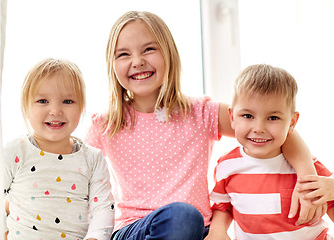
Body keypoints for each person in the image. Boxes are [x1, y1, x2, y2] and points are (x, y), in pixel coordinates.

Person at [85, 11, 322, 240]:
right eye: (123, 54)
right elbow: (75, 179)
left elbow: (271, 127)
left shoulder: (200, 113)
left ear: (169, 54)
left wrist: (307, 179)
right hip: (133, 231)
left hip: (196, 230)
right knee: (181, 215)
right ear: (112, 64)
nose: (138, 61)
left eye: (149, 49)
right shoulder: (105, 124)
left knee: (187, 218)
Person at [208, 64, 334, 239]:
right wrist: (217, 231)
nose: (259, 128)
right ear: (232, 117)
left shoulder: (307, 168)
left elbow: (328, 197)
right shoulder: (226, 166)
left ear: (292, 122)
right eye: (248, 116)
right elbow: (223, 206)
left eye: (273, 118)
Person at [3, 58, 114, 240]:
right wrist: (2, 233)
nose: (55, 110)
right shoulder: (15, 152)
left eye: (68, 101)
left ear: (82, 107)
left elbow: (102, 207)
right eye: (42, 101)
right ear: (26, 107)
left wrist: (95, 238)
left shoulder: (93, 158)